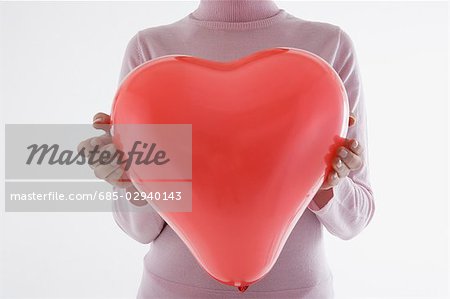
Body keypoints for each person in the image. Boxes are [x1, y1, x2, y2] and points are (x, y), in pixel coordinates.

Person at [78, 0, 375, 298]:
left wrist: (324, 181)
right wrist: (129, 178)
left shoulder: (330, 46)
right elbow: (140, 230)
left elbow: (355, 220)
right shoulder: (150, 49)